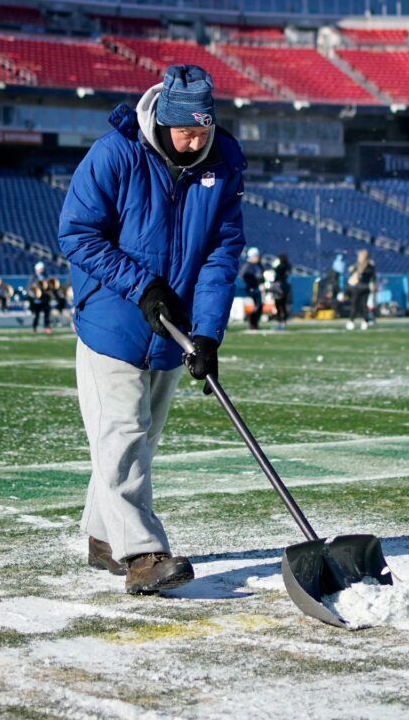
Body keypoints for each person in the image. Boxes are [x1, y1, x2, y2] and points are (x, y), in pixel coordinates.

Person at [58, 64, 245, 596]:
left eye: (205, 130)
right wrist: (142, 286)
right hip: (112, 321)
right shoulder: (115, 153)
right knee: (124, 435)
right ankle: (142, 554)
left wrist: (207, 333)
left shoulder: (223, 164)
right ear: (164, 120)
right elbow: (77, 234)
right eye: (188, 130)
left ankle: (102, 536)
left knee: (142, 440)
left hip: (172, 328)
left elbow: (221, 253)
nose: (197, 140)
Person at [344, 248, 377, 330]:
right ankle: (364, 322)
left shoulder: (358, 266)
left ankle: (351, 321)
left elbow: (352, 275)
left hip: (357, 288)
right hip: (365, 287)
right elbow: (373, 278)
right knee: (363, 306)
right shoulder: (370, 266)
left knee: (354, 305)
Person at [27, 262, 56, 332]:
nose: (42, 270)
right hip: (36, 299)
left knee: (47, 314)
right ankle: (34, 327)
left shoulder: (45, 276)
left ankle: (47, 327)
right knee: (36, 315)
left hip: (45, 298)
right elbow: (29, 287)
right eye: (41, 268)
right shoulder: (33, 277)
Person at [241, 248, 265, 331]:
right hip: (251, 289)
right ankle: (252, 324)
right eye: (256, 256)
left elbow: (261, 276)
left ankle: (255, 324)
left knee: (259, 306)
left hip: (257, 288)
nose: (257, 258)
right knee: (256, 306)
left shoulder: (258, 266)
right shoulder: (248, 266)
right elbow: (244, 276)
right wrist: (251, 284)